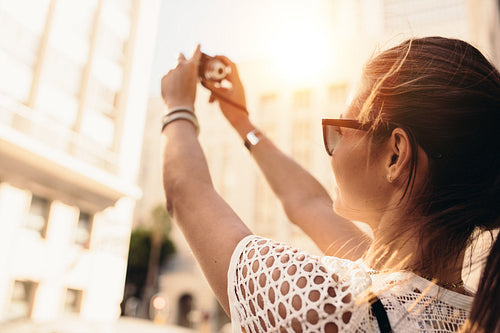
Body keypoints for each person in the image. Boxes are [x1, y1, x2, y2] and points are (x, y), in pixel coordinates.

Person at [160, 37, 500, 332]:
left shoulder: (331, 306)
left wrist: (177, 105)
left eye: (340, 129)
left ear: (395, 156)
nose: (332, 149)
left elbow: (185, 191)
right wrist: (241, 120)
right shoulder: (472, 312)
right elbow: (308, 203)